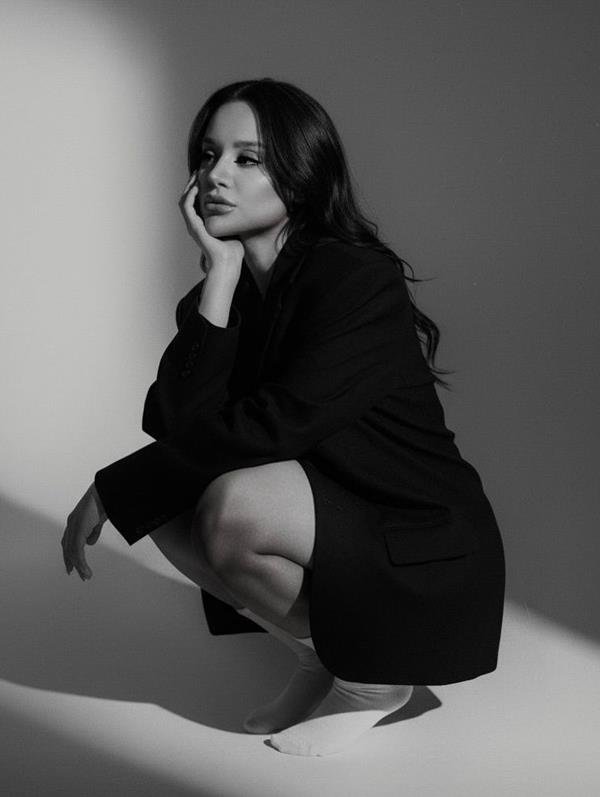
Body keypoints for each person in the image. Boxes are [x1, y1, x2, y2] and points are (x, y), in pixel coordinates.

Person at [61, 78, 505, 757]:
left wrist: (112, 485)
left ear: (301, 173)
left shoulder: (355, 277)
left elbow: (281, 421)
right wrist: (219, 277)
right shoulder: (224, 294)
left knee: (226, 503)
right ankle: (324, 658)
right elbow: (180, 429)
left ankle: (373, 683)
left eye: (248, 159)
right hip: (332, 512)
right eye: (207, 154)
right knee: (165, 504)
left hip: (415, 533)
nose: (215, 175)